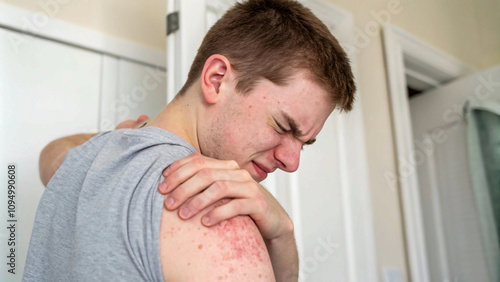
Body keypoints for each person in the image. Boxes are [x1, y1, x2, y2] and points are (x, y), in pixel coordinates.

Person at [23, 0, 355, 281]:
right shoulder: (213, 211)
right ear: (217, 80)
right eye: (284, 126)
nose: (292, 162)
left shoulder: (84, 161)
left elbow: (53, 153)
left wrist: (282, 230)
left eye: (305, 143)